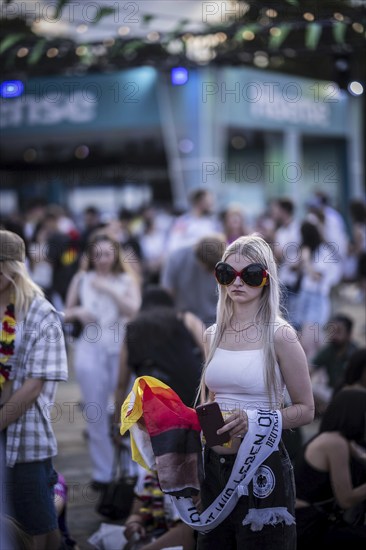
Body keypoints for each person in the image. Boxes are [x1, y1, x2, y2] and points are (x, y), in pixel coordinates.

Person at [195, 234, 315, 549]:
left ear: (266, 279)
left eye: (249, 275)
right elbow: (212, 400)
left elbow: (306, 409)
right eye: (226, 273)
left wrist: (255, 420)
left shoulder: (281, 335)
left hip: (263, 468)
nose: (237, 282)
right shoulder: (212, 334)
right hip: (215, 471)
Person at [0, 229, 68, 550]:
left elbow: (34, 386)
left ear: (15, 267)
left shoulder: (41, 313)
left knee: (34, 528)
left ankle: (60, 508)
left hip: (24, 438)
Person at [64, 231, 141, 490]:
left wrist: (109, 289)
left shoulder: (125, 280)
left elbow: (134, 310)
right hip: (90, 346)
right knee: (95, 407)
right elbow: (66, 311)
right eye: (97, 255)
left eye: (107, 254)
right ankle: (103, 471)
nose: (102, 260)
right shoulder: (81, 278)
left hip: (119, 347)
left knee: (126, 407)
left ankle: (131, 466)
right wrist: (78, 312)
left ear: (115, 255)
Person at [294, 389, 366, 549]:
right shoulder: (335, 444)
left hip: (307, 520)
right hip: (308, 525)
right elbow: (346, 499)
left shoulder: (333, 438)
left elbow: (362, 456)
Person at [161, 233, 227, 327]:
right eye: (210, 268)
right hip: (185, 322)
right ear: (200, 260)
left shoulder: (175, 257)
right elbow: (167, 295)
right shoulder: (177, 258)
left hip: (217, 322)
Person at [122, 467, 196, 550]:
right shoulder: (149, 475)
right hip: (151, 539)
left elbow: (189, 530)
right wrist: (134, 523)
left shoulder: (191, 478)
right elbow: (137, 512)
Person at [310, 314, 359, 414]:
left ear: (349, 334)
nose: (334, 335)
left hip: (351, 396)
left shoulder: (356, 353)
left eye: (339, 331)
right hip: (331, 394)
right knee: (312, 388)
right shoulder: (329, 350)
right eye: (332, 331)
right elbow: (310, 369)